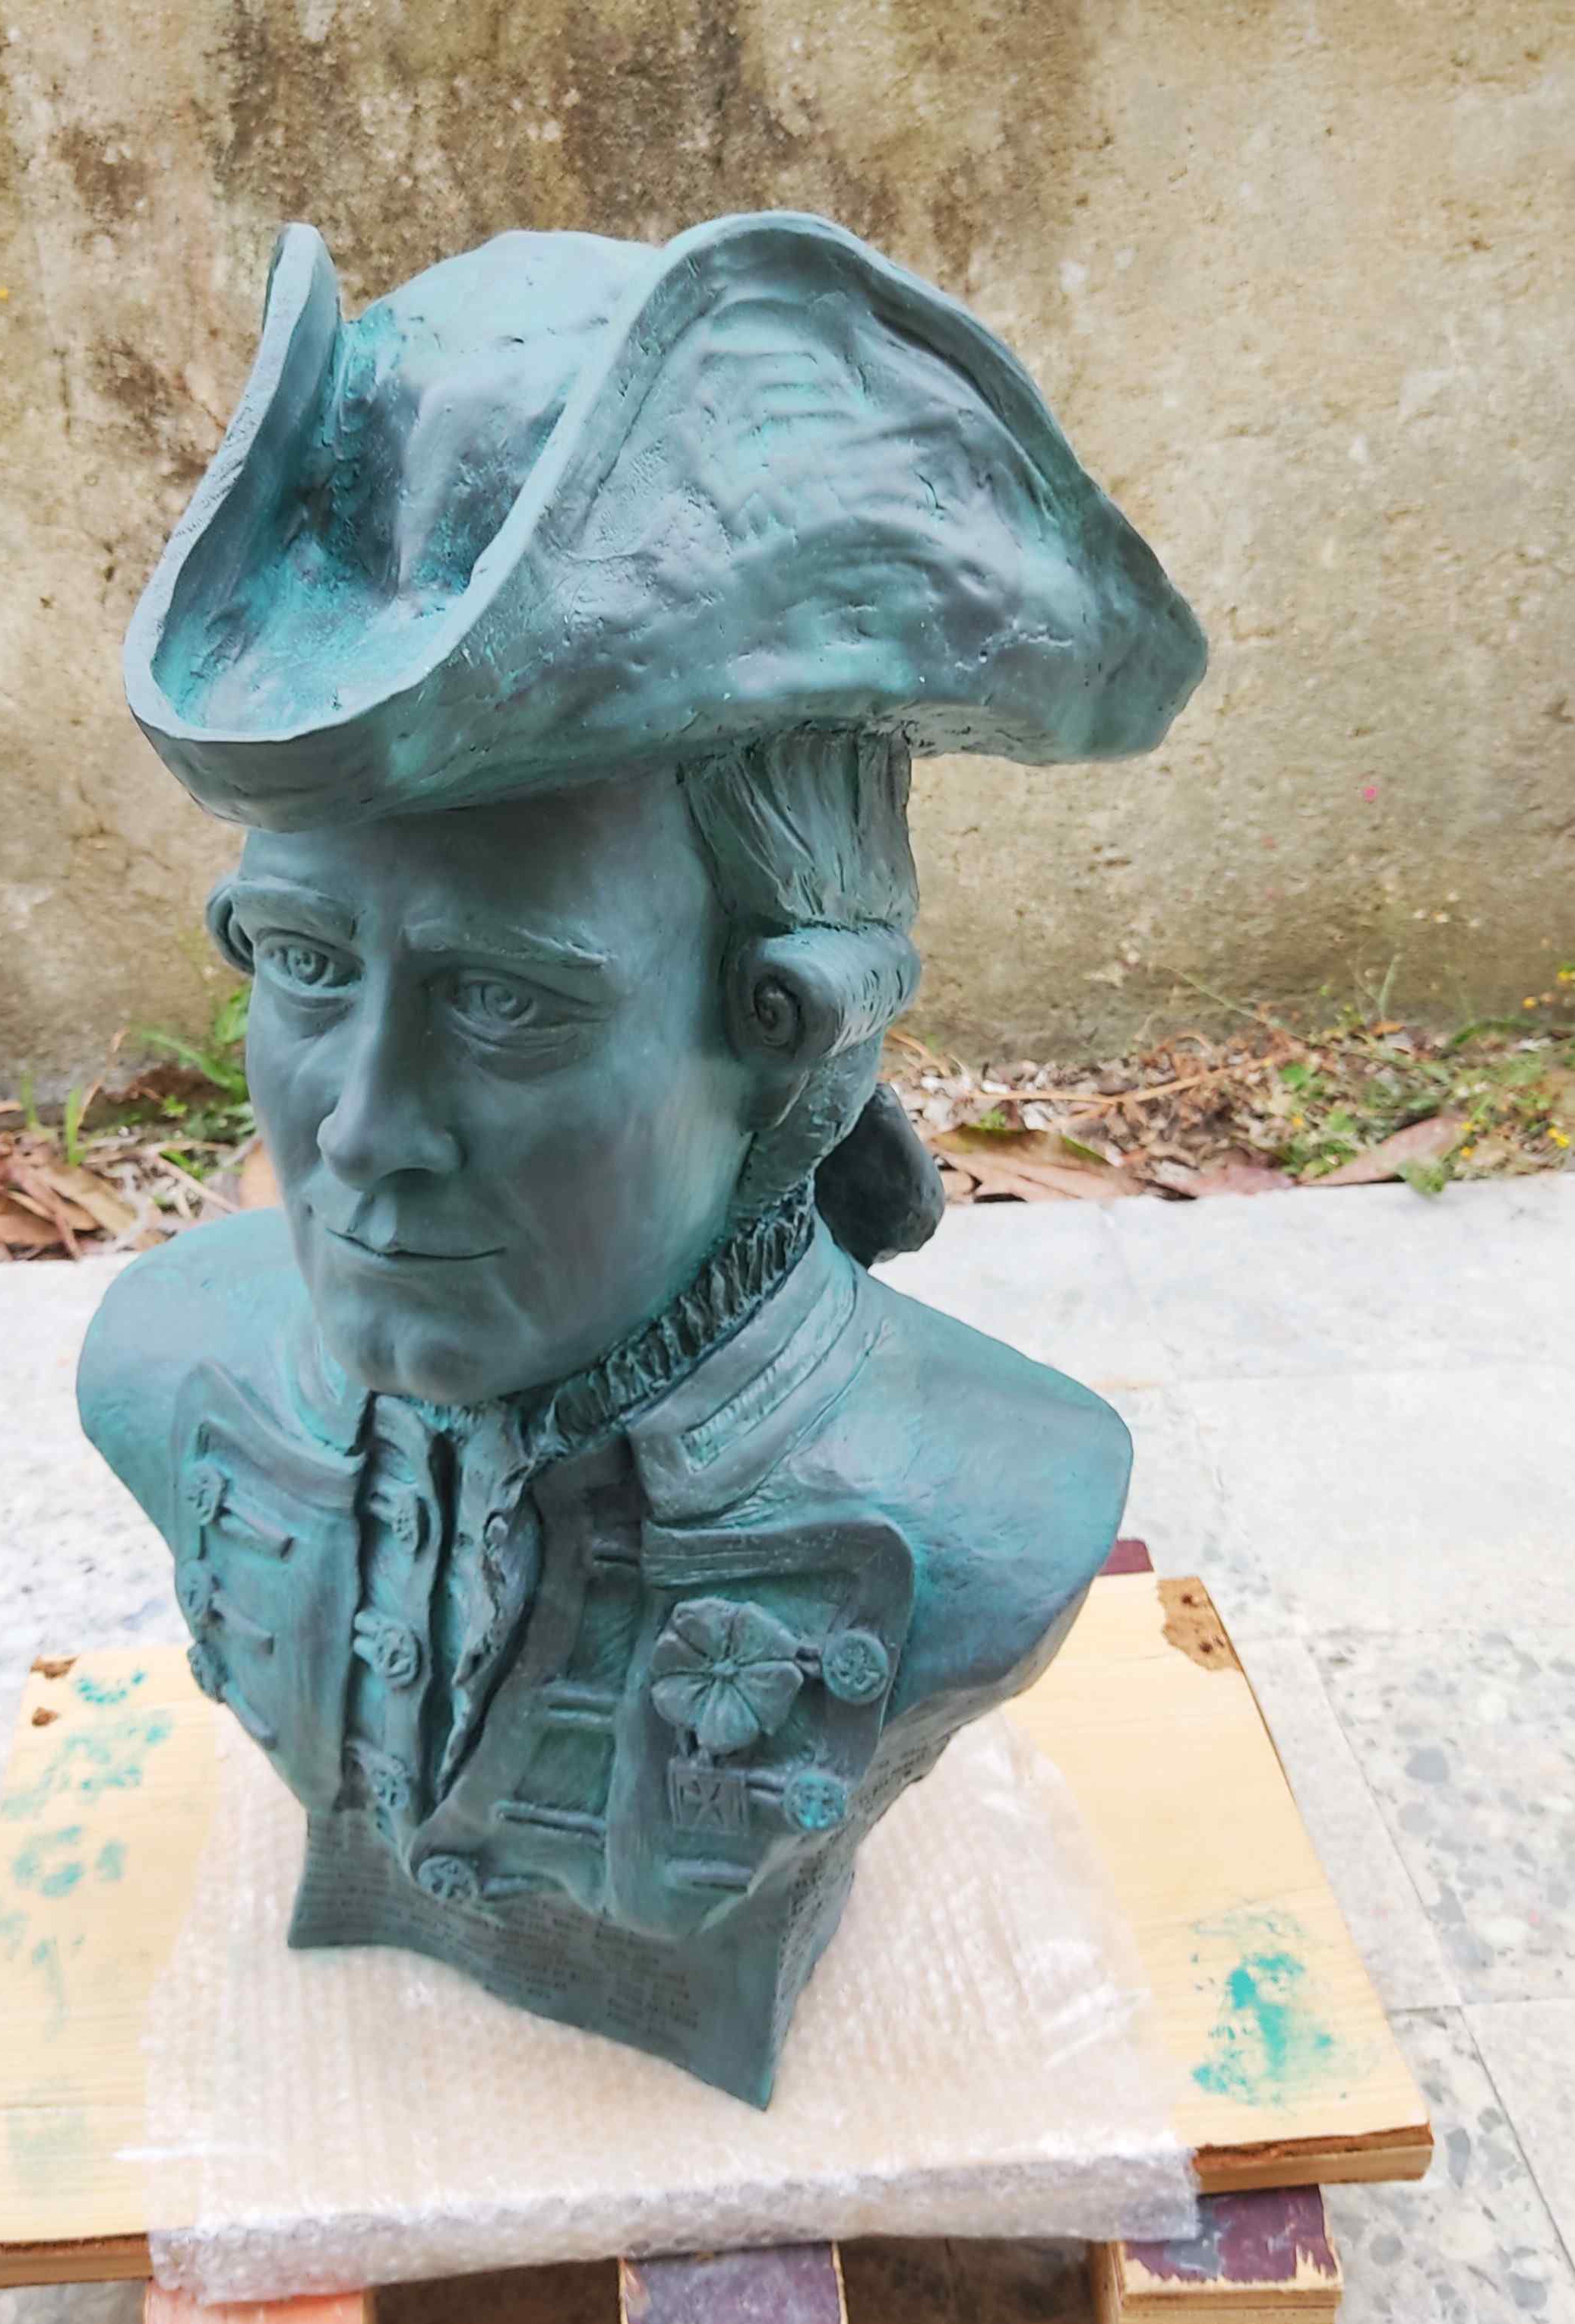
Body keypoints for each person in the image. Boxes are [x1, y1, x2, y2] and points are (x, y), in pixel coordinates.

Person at [80, 211, 1204, 2104]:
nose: (360, 1127)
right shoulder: (163, 1366)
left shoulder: (1003, 1500)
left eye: (502, 1000)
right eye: (305, 964)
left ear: (785, 1030)